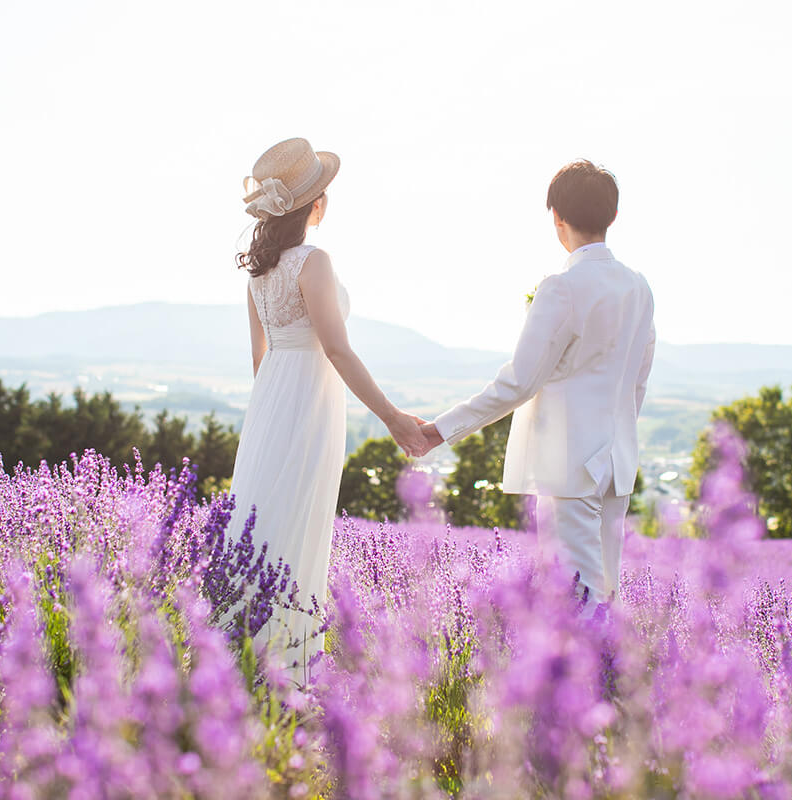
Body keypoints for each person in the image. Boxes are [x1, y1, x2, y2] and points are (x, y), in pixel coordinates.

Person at [417, 160, 655, 610]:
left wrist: (441, 429)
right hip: (617, 466)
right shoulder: (639, 288)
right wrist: (616, 436)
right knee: (605, 593)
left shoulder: (561, 288)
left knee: (575, 600)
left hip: (569, 467)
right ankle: (610, 680)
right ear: (614, 216)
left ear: (557, 219)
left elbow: (519, 383)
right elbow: (637, 381)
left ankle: (588, 681)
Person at [227, 137, 427, 661]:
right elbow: (336, 349)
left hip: (272, 397)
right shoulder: (312, 260)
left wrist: (274, 412)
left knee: (263, 514)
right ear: (315, 204)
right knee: (298, 521)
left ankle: (240, 655)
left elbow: (259, 359)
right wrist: (392, 417)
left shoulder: (260, 268)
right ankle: (285, 666)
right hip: (310, 401)